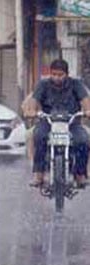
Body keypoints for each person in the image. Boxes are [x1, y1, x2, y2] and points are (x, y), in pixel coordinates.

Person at [23, 58, 90, 187]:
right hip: (47, 122)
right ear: (50, 73)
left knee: (82, 140)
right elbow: (33, 102)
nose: (57, 78)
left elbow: (85, 101)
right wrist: (31, 111)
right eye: (54, 74)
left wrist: (87, 110)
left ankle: (80, 175)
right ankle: (39, 174)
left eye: (60, 75)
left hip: (71, 123)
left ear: (66, 74)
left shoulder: (76, 85)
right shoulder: (43, 85)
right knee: (38, 136)